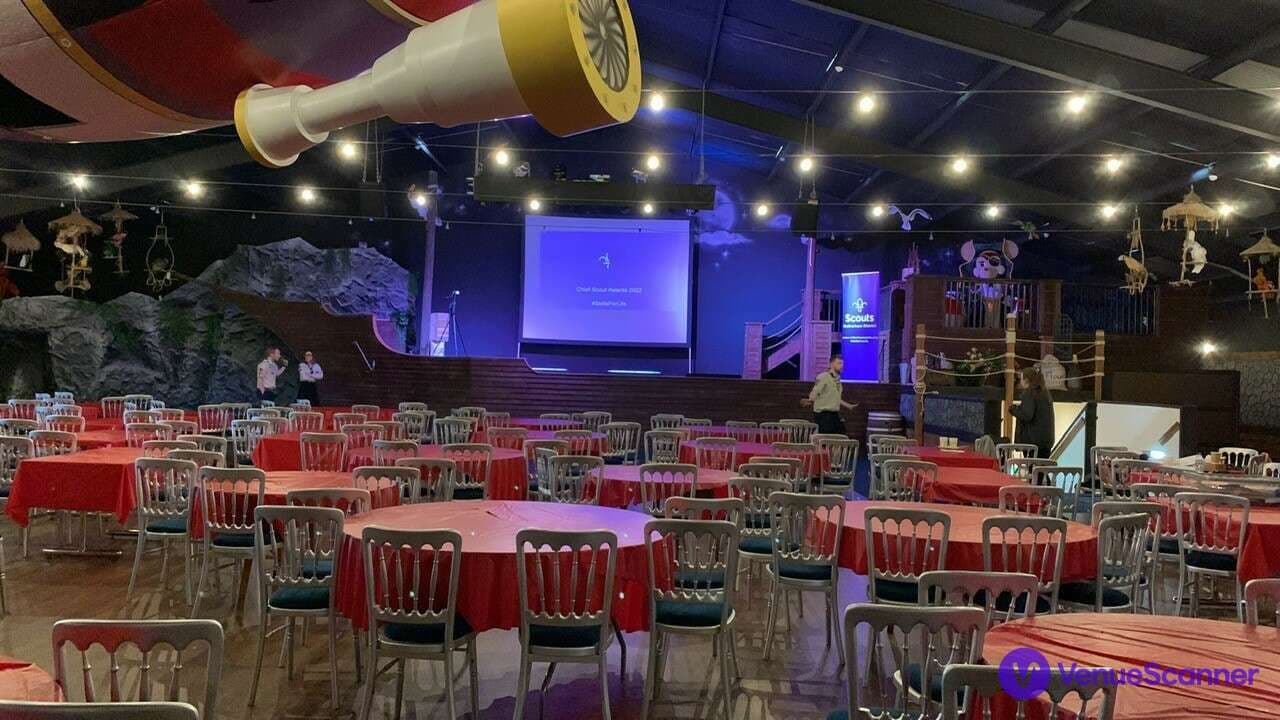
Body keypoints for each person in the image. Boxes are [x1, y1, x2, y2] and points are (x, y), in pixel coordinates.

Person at [801, 355, 857, 435]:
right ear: (831, 364)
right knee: (828, 439)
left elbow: (835, 397)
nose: (842, 366)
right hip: (824, 415)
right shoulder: (824, 376)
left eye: (842, 364)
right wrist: (810, 399)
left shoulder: (837, 379)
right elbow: (815, 391)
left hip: (834, 414)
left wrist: (848, 406)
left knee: (841, 435)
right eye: (839, 363)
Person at [1010, 366, 1055, 458]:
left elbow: (1027, 415)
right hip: (1046, 441)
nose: (1020, 381)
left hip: (1033, 441)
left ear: (1026, 380)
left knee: (1032, 466)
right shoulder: (1044, 392)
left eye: (1021, 378)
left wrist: (1013, 410)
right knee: (1042, 466)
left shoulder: (1029, 393)